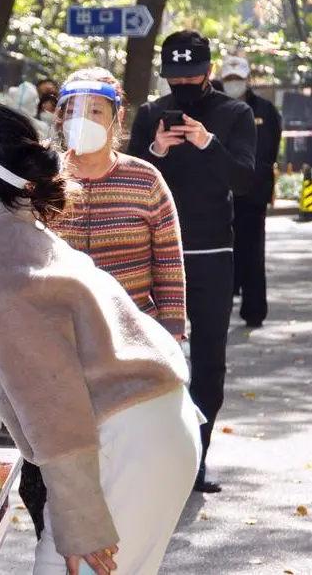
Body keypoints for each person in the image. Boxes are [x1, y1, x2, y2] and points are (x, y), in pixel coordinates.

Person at [0, 99, 200, 575]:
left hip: (126, 433)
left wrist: (80, 518)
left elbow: (48, 392)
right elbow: (1, 372)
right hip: (139, 425)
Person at [19, 67, 187, 540]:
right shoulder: (38, 183)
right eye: (73, 110)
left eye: (96, 111)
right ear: (58, 118)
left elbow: (169, 266)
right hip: (55, 355)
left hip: (131, 355)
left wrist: (174, 337)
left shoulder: (145, 181)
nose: (84, 119)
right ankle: (56, 551)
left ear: (117, 120)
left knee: (124, 475)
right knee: (47, 481)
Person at [128, 30, 256, 493]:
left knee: (209, 361)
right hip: (151, 255)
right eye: (174, 77)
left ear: (208, 72)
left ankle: (196, 459)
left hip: (211, 253)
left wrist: (207, 143)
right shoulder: (148, 115)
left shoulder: (235, 114)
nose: (183, 84)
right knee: (149, 357)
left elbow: (243, 179)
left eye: (192, 75)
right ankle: (155, 454)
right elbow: (127, 178)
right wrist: (157, 150)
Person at [220, 56, 283, 328]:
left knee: (252, 251)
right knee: (220, 254)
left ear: (247, 80)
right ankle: (219, 308)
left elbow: (269, 149)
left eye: (238, 79)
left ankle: (254, 311)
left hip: (253, 193)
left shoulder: (266, 111)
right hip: (218, 193)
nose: (234, 84)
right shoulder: (212, 108)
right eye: (229, 79)